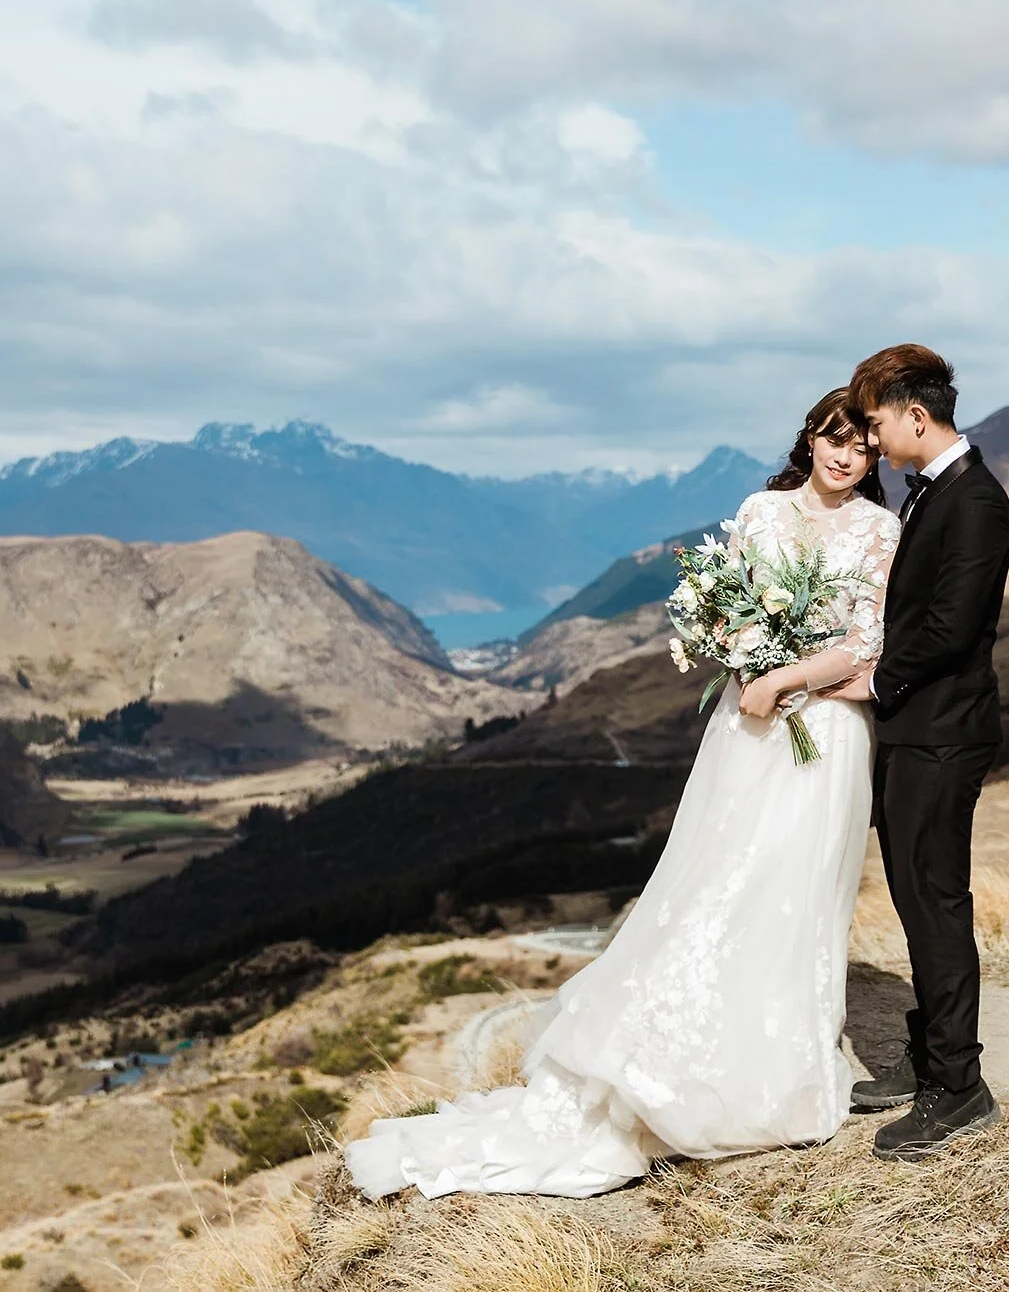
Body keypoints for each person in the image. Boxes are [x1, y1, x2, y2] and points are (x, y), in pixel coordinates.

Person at [343, 386, 899, 1199]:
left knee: (800, 886)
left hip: (829, 731)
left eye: (861, 446)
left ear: (875, 456)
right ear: (809, 438)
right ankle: (681, 1045)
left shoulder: (882, 530)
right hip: (748, 730)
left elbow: (866, 637)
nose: (845, 456)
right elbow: (726, 612)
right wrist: (745, 653)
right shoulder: (761, 511)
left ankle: (778, 1057)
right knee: (722, 876)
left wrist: (787, 672)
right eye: (833, 437)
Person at [827, 343, 1009, 1160]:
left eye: (875, 422)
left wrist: (870, 681)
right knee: (914, 897)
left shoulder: (975, 501)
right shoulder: (929, 495)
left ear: (916, 415)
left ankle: (958, 1086)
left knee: (936, 902)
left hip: (941, 734)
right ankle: (925, 1052)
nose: (871, 439)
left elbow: (950, 625)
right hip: (917, 733)